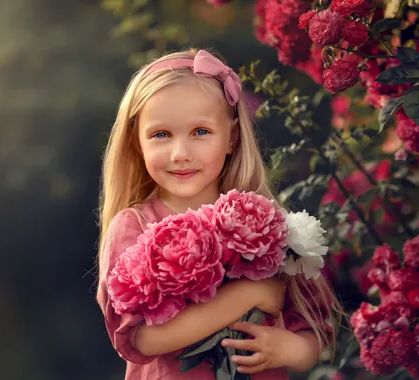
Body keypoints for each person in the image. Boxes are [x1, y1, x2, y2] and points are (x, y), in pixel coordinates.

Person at [96, 48, 342, 379]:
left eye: (200, 132)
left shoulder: (262, 223)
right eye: (161, 135)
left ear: (232, 137)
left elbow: (314, 327)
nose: (180, 153)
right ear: (138, 144)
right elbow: (143, 339)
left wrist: (290, 350)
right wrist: (249, 294)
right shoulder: (133, 226)